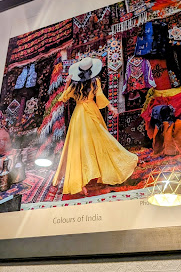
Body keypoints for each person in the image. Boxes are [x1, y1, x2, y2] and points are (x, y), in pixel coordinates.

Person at [52, 57, 138, 195]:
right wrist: (111, 108)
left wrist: (67, 83)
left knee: (78, 147)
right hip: (91, 112)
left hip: (78, 116)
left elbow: (63, 98)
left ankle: (80, 183)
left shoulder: (75, 84)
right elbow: (101, 97)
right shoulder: (95, 81)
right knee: (101, 141)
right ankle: (109, 169)